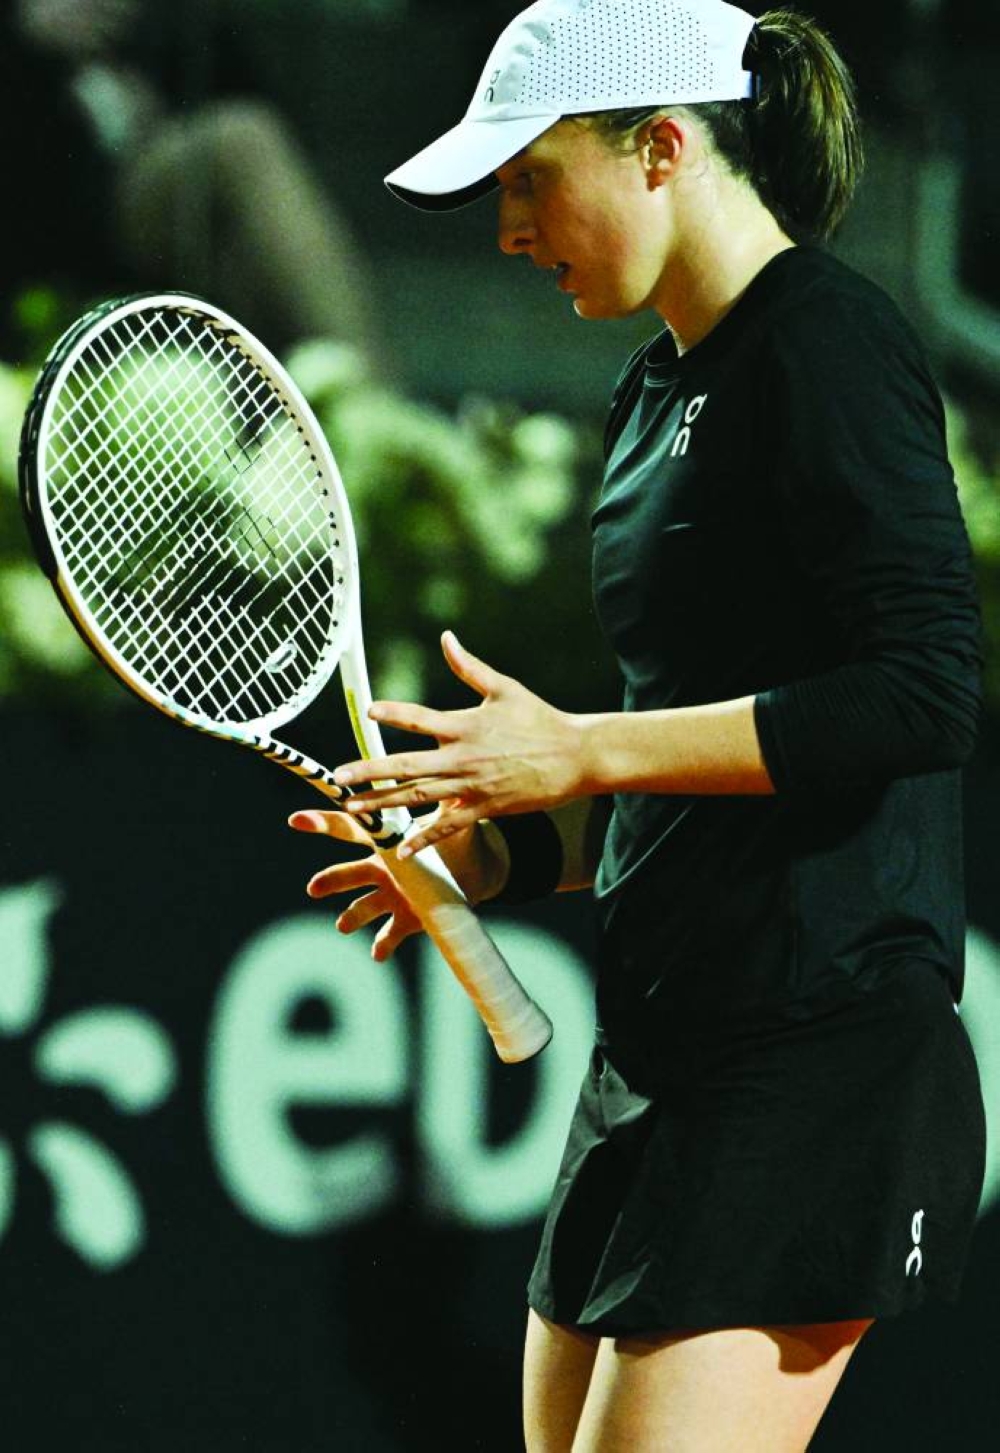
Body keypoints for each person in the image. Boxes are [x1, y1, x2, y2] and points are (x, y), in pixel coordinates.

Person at [289, 2, 987, 1448]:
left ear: (662, 147)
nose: (508, 230)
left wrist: (582, 746)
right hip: (659, 1062)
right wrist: (501, 857)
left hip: (817, 1059)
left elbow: (923, 693)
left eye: (531, 180)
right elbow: (694, 755)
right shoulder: (654, 387)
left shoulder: (831, 344)